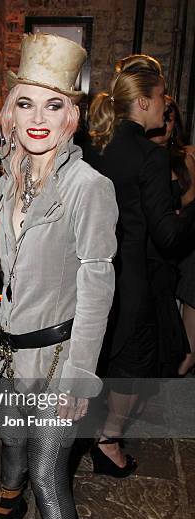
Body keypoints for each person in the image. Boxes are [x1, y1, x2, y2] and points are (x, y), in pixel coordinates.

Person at [0, 33, 118, 519]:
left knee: (48, 474)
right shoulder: (9, 176)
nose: (38, 118)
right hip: (8, 349)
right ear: (9, 112)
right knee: (9, 441)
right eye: (26, 103)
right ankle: (6, 504)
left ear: (72, 117)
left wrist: (80, 377)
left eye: (53, 105)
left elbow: (98, 284)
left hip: (59, 360)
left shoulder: (89, 187)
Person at [85, 55, 195, 476]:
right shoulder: (148, 156)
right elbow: (167, 237)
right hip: (130, 276)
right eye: (161, 98)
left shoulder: (95, 145)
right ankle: (107, 442)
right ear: (145, 103)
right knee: (135, 365)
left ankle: (76, 437)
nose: (166, 106)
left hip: (90, 270)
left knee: (96, 356)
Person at [149, 96, 195, 375]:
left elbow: (191, 202)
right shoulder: (141, 155)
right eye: (163, 116)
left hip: (180, 234)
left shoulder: (185, 157)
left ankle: (188, 350)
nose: (166, 123)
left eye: (171, 117)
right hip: (152, 237)